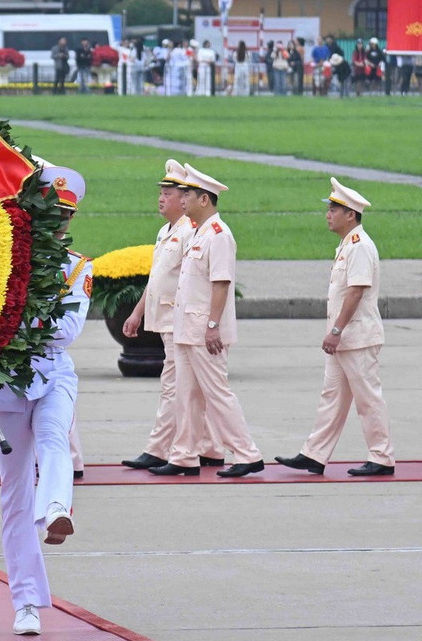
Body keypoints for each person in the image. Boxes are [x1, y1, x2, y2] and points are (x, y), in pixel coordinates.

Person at [0, 165, 92, 636]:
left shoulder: (77, 266)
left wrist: (15, 319)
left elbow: (65, 332)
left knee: (55, 438)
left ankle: (56, 511)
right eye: (51, 211)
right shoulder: (0, 259)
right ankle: (25, 601)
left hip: (52, 376)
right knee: (13, 496)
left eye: (66, 214)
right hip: (5, 382)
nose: (59, 222)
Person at [149, 164, 264, 479]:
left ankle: (247, 454)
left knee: (217, 393)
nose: (181, 200)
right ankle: (184, 455)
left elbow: (221, 283)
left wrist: (213, 325)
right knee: (185, 395)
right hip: (187, 328)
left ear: (204, 199)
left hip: (204, 330)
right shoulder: (197, 232)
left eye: (188, 194)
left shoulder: (218, 234)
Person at [275, 179, 394, 477]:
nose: (328, 214)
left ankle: (382, 457)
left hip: (357, 338)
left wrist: (336, 330)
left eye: (333, 209)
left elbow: (355, 292)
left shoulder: (360, 246)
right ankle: (314, 455)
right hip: (344, 339)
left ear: (350, 214)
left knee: (367, 399)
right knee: (331, 398)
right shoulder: (347, 245)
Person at [122, 160, 222, 470]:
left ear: (185, 198)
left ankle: (159, 448)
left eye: (169, 193)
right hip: (165, 320)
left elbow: (194, 280)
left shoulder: (191, 231)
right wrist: (137, 313)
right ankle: (210, 447)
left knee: (176, 387)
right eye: (162, 192)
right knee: (187, 387)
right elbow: (157, 278)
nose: (162, 198)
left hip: (179, 321)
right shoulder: (167, 231)